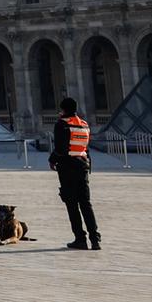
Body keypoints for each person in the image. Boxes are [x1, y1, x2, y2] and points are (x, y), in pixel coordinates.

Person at [50, 97, 101, 250]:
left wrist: (52, 160)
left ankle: (80, 238)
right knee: (86, 203)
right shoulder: (84, 124)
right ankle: (95, 239)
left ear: (63, 109)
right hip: (83, 166)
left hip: (67, 168)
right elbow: (85, 147)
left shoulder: (62, 124)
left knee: (72, 204)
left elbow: (60, 148)